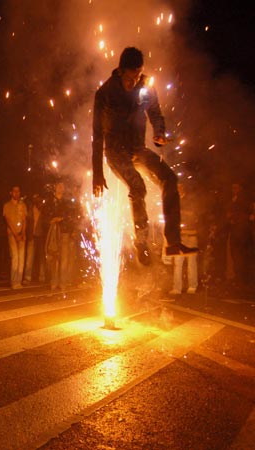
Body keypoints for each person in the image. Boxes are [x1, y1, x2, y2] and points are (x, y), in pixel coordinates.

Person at [92, 46, 197, 265]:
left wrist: (159, 133)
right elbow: (97, 136)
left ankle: (173, 242)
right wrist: (97, 174)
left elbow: (156, 114)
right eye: (131, 78)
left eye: (138, 76)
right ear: (120, 72)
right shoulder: (105, 94)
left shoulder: (145, 86)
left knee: (170, 179)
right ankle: (142, 244)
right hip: (115, 152)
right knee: (138, 185)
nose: (134, 82)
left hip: (138, 149)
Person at [169, 183, 198, 294]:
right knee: (178, 262)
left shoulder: (190, 201)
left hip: (190, 236)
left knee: (191, 263)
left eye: (180, 187)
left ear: (183, 188)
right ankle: (177, 288)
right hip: (179, 236)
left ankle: (192, 286)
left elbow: (193, 215)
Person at [3, 185, 27, 289]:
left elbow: (24, 219)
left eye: (18, 191)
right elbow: (8, 221)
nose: (16, 193)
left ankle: (19, 280)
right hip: (12, 234)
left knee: (21, 258)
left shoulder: (23, 205)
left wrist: (23, 233)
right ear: (11, 193)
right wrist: (15, 234)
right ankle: (13, 281)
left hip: (20, 234)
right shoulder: (7, 205)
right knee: (15, 257)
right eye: (14, 191)